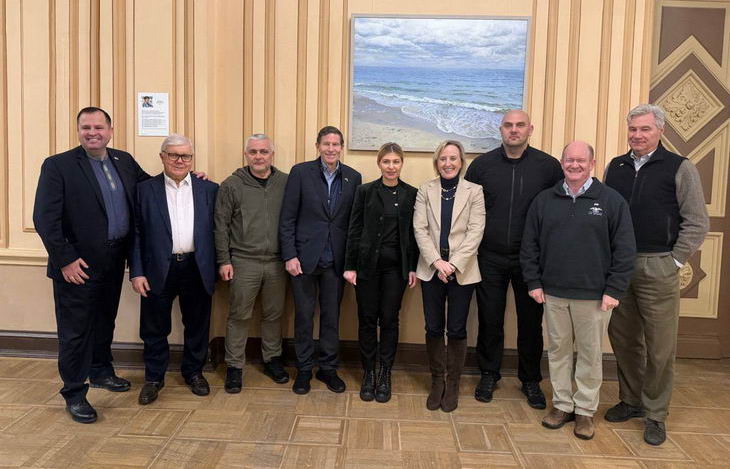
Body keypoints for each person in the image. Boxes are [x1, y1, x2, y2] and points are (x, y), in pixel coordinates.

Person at [33, 107, 149, 423]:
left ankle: (100, 371)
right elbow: (45, 218)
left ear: (110, 130)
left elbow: (149, 189)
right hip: (77, 266)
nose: (92, 132)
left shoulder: (124, 161)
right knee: (75, 332)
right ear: (79, 131)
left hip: (114, 260)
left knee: (104, 321)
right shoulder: (58, 166)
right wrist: (66, 260)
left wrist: (186, 177)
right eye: (86, 127)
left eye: (99, 127)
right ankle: (74, 392)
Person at [604, 104, 709, 446]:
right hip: (620, 267)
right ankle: (631, 400)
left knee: (660, 346)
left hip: (658, 266)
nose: (637, 135)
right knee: (624, 338)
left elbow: (697, 222)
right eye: (633, 129)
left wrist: (674, 262)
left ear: (660, 130)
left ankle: (656, 414)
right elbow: (606, 215)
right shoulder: (616, 167)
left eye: (645, 129)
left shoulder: (680, 167)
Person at [521, 141, 636, 440]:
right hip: (553, 293)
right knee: (558, 351)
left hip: (595, 296)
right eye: (569, 160)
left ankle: (584, 410)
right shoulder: (544, 200)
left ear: (592, 164)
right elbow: (529, 245)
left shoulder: (611, 201)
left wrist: (614, 289)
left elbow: (625, 250)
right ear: (562, 163)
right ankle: (562, 405)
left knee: (589, 355)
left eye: (581, 160)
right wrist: (534, 282)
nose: (574, 165)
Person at [464, 109, 563, 408]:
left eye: (520, 125)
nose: (514, 130)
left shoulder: (549, 167)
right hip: (490, 256)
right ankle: (489, 374)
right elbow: (466, 210)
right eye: (508, 125)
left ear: (530, 129)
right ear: (501, 129)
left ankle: (530, 380)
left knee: (531, 323)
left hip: (530, 260)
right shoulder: (481, 166)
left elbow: (558, 211)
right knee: (489, 319)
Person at [129, 134, 218, 405]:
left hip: (197, 267)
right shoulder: (144, 190)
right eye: (174, 155)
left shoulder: (209, 189)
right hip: (157, 268)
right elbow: (136, 234)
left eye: (186, 156)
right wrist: (137, 272)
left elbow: (220, 230)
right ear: (162, 157)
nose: (180, 160)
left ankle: (194, 373)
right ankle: (154, 378)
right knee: (154, 327)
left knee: (197, 325)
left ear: (192, 158)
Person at [279, 126, 362, 395]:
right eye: (326, 144)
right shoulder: (300, 173)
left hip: (336, 262)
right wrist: (290, 255)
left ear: (342, 148)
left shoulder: (353, 177)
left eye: (336, 144)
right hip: (304, 260)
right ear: (318, 146)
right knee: (303, 317)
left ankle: (328, 369)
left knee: (331, 318)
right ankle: (304, 370)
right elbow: (287, 218)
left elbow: (353, 224)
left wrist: (351, 262)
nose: (331, 149)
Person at [343, 142, 419, 403]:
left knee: (389, 320)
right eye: (386, 161)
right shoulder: (365, 192)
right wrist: (350, 265)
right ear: (379, 163)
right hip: (367, 267)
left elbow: (413, 235)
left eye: (396, 161)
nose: (391, 166)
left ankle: (385, 373)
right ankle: (369, 373)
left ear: (402, 164)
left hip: (396, 270)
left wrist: (412, 267)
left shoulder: (411, 194)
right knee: (367, 319)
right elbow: (354, 229)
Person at [414, 140, 485, 413]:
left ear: (461, 161)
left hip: (462, 271)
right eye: (443, 158)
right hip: (431, 269)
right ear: (437, 162)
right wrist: (437, 262)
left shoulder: (474, 191)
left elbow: (475, 232)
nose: (448, 163)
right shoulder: (425, 190)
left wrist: (452, 265)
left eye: (453, 158)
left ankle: (452, 383)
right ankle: (437, 382)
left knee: (456, 328)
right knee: (433, 327)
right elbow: (420, 229)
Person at [215, 134, 289, 393]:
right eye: (253, 152)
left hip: (277, 262)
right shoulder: (231, 185)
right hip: (243, 261)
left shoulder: (285, 183)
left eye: (264, 151)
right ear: (246, 154)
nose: (259, 157)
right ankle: (234, 366)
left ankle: (272, 359)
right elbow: (220, 226)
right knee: (239, 315)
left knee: (274, 314)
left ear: (272, 154)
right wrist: (224, 260)